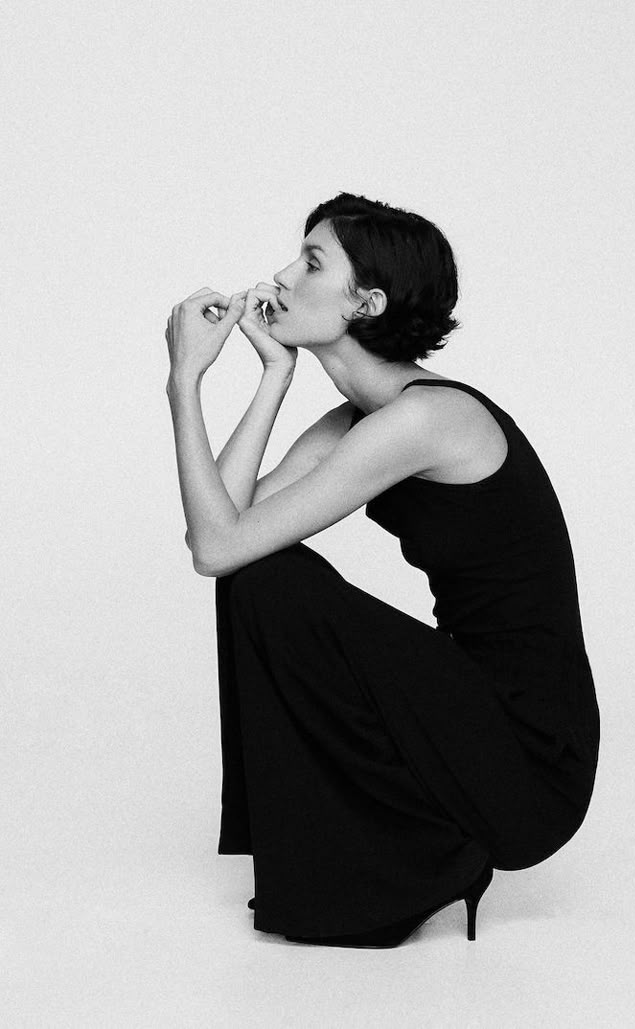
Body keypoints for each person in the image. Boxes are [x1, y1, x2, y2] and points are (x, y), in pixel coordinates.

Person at [165, 191, 600, 949]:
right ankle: (397, 856)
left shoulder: (428, 418)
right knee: (259, 570)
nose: (281, 274)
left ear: (365, 301)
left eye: (311, 262)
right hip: (471, 711)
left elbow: (218, 545)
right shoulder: (360, 420)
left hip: (530, 753)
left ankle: (420, 861)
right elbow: (221, 529)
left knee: (269, 578)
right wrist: (270, 377)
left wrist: (182, 384)